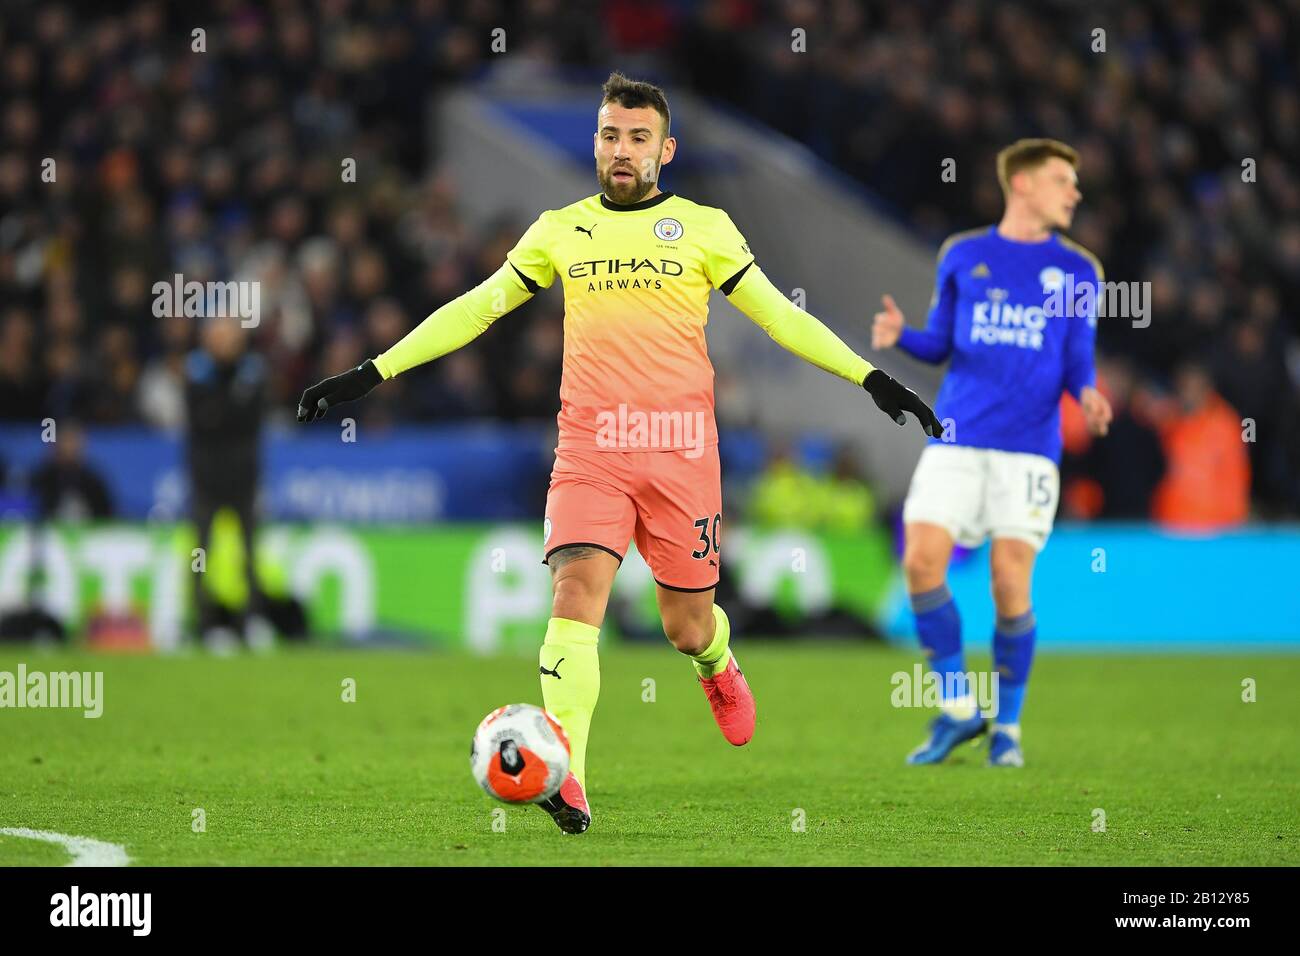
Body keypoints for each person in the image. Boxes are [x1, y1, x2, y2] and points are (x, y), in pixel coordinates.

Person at [298, 72, 939, 833]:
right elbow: (477, 308)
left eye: (638, 138)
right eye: (610, 136)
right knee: (575, 598)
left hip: (680, 454)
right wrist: (373, 371)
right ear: (596, 144)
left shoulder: (705, 228)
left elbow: (779, 318)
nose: (622, 150)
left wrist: (872, 379)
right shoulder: (560, 229)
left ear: (665, 150)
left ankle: (717, 663)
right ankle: (568, 777)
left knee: (685, 627)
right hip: (590, 450)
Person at [872, 138, 1112, 768]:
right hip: (955, 438)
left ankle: (1008, 728)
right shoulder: (965, 255)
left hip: (1028, 451)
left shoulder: (1080, 271)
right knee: (922, 561)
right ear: (1024, 183)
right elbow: (941, 344)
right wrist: (902, 339)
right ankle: (957, 708)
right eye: (1064, 179)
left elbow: (1076, 358)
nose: (1074, 192)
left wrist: (1086, 393)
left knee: (1010, 583)